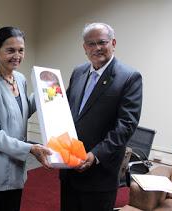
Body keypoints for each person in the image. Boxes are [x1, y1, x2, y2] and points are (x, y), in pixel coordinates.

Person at [0, 26, 52, 211]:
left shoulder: (20, 78)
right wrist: (30, 148)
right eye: (10, 50)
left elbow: (21, 111)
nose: (17, 55)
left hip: (14, 162)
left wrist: (45, 93)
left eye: (21, 50)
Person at [61, 22, 143, 211]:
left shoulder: (129, 77)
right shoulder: (79, 72)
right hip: (70, 166)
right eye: (91, 44)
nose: (97, 48)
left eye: (102, 42)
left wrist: (95, 155)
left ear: (113, 43)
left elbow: (126, 126)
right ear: (84, 48)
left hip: (100, 172)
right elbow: (65, 109)